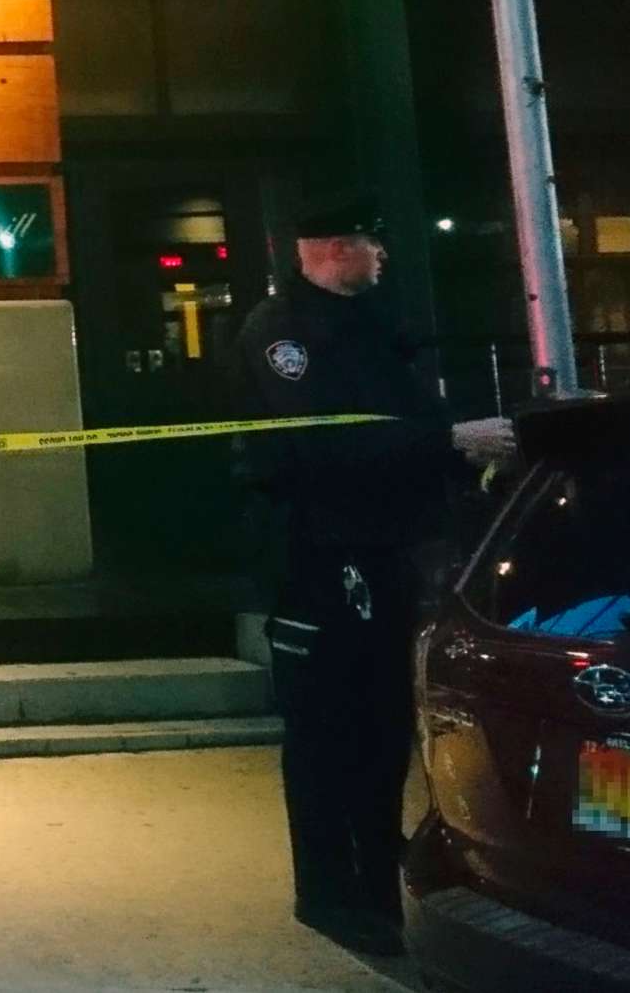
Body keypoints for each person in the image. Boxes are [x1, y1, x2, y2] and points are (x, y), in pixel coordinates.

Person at [232, 192, 513, 959]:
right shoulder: (281, 332)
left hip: (388, 554)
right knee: (328, 732)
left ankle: (377, 889)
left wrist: (452, 456)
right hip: (319, 560)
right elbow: (322, 445)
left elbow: (398, 423)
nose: (383, 254)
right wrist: (450, 441)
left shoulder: (372, 327)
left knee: (383, 731)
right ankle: (329, 895)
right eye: (370, 240)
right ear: (329, 247)